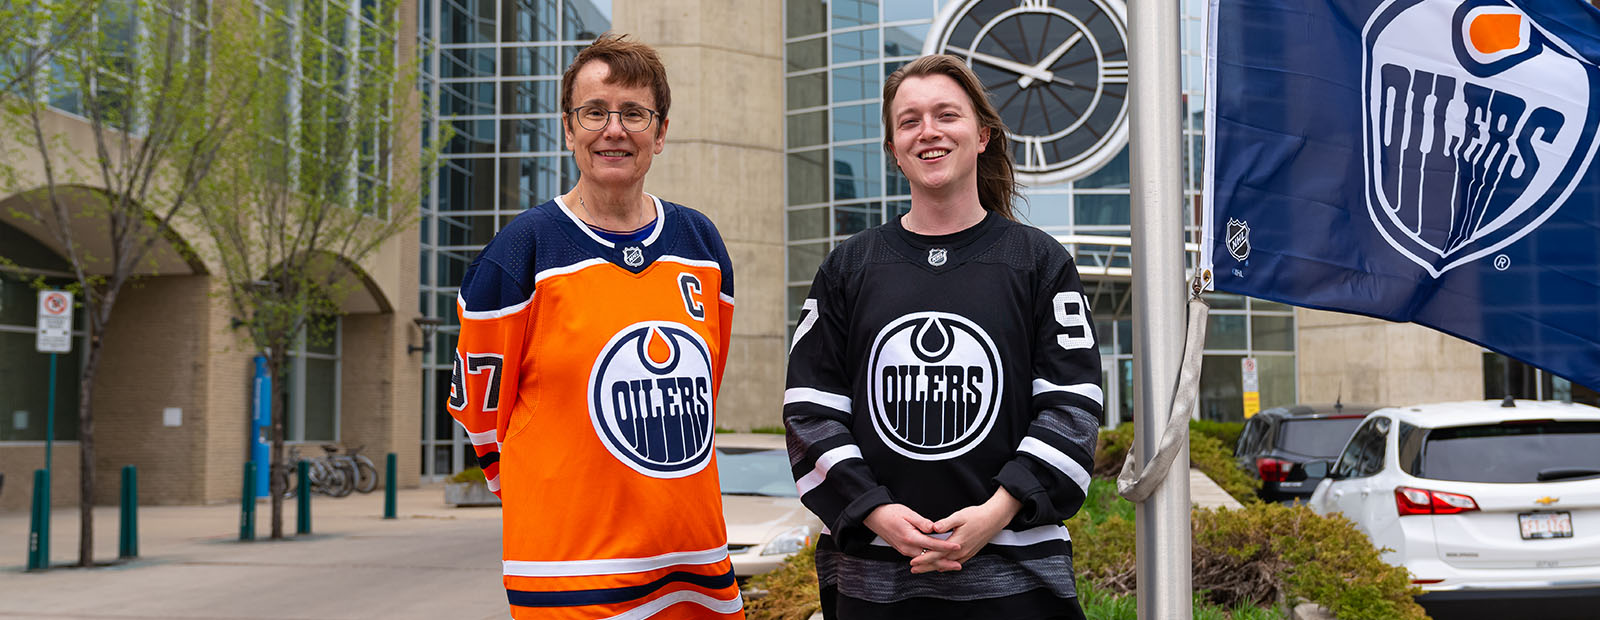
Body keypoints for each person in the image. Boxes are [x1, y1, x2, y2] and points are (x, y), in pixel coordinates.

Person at [783, 54, 1103, 620]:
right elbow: (810, 413)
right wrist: (875, 510)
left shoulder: (1038, 263)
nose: (927, 131)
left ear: (981, 135)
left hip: (1016, 586)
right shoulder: (848, 268)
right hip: (875, 585)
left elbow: (1071, 410)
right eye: (909, 121)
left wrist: (995, 513)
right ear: (893, 150)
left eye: (945, 115)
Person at [450, 34, 744, 620]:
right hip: (572, 572)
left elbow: (704, 386)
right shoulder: (520, 252)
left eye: (634, 113)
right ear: (568, 129)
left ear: (659, 133)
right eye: (595, 112)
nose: (615, 129)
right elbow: (482, 412)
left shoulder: (702, 245)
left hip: (695, 563)